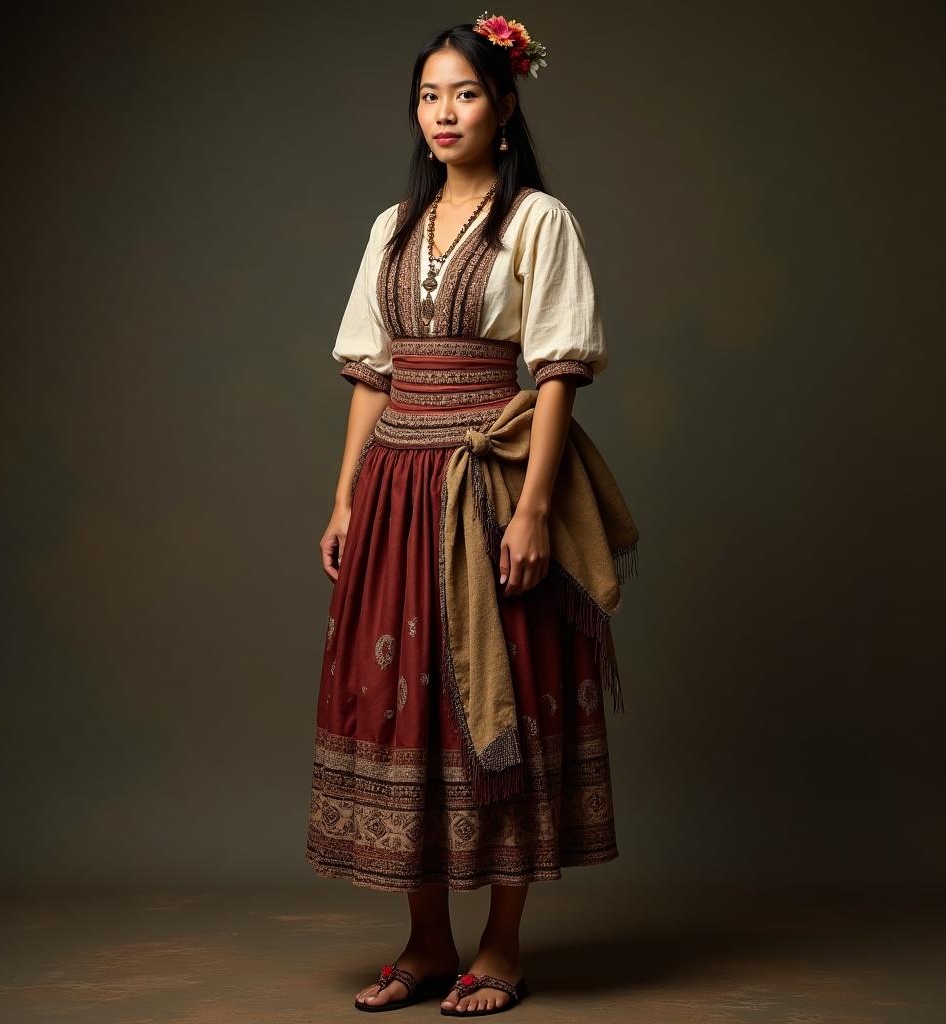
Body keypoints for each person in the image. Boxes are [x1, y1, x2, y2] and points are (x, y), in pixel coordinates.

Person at [305, 12, 639, 1017]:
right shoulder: (391, 227)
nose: (444, 113)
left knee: (499, 705)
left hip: (489, 488)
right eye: (428, 96)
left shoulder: (538, 221)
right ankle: (422, 943)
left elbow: (557, 375)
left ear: (504, 104)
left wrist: (532, 511)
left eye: (464, 93)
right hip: (396, 494)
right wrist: (342, 495)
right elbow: (372, 372)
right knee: (404, 705)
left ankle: (499, 945)